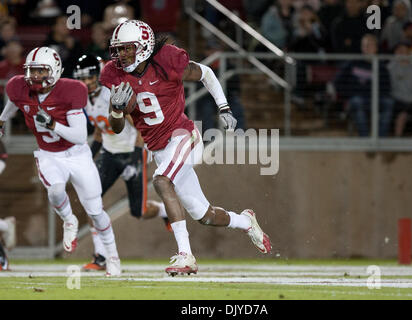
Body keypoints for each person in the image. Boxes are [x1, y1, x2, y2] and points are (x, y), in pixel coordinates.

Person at [101, 20, 271, 276]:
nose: (121, 54)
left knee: (161, 180)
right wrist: (115, 108)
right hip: (159, 149)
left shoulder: (167, 60)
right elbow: (115, 127)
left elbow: (207, 74)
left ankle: (185, 256)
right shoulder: (113, 74)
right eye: (119, 49)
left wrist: (224, 108)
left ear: (144, 47)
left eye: (127, 48)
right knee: (205, 215)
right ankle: (246, 222)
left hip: (183, 136)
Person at [0, 46, 121, 276]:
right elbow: (14, 101)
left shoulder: (72, 90)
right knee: (55, 191)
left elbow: (78, 136)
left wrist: (53, 124)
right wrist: (2, 119)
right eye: (31, 71)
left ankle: (113, 256)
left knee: (96, 211)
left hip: (77, 154)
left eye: (40, 71)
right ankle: (69, 220)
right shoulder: (17, 86)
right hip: (48, 154)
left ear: (54, 70)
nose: (34, 76)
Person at [72, 54, 170, 271]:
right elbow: (99, 131)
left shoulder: (113, 93)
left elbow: (140, 127)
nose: (87, 82)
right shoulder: (85, 98)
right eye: (82, 78)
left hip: (131, 151)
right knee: (91, 201)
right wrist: (86, 156)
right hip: (109, 152)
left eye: (90, 77)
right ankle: (100, 256)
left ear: (99, 74)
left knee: (139, 212)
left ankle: (164, 210)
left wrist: (134, 160)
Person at [333, 34, 394, 136]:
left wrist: (377, 95)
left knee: (389, 103)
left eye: (370, 45)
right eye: (365, 45)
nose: (367, 48)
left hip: (377, 98)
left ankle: (381, 139)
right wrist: (349, 94)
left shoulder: (381, 66)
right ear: (361, 47)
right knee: (358, 103)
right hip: (358, 97)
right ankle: (365, 140)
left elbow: (386, 87)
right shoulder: (353, 63)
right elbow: (338, 82)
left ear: (376, 48)